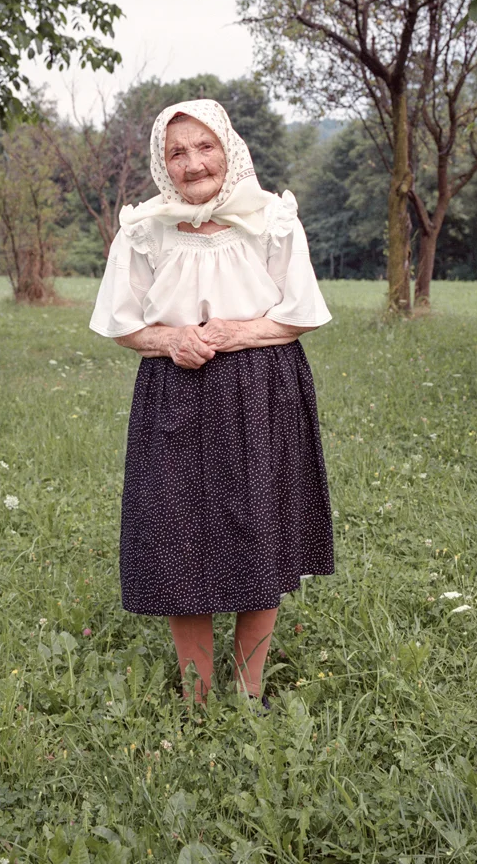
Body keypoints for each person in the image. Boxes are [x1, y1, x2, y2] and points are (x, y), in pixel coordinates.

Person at [89, 98, 335, 704]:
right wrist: (172, 338)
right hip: (173, 389)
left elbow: (299, 314)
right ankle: (197, 696)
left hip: (261, 388)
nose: (194, 163)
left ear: (229, 149)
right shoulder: (144, 229)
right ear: (161, 163)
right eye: (177, 152)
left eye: (205, 147)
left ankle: (248, 693)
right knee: (176, 535)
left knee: (259, 530)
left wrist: (232, 333)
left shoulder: (273, 219)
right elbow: (122, 323)